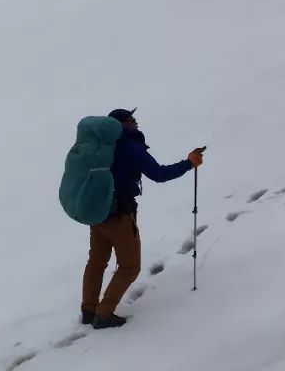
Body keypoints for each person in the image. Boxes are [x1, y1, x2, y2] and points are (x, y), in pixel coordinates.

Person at [81, 108, 204, 329]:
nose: (136, 122)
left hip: (97, 211)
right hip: (119, 215)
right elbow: (158, 174)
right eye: (132, 119)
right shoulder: (130, 146)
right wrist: (189, 163)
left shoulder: (101, 145)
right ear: (124, 123)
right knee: (130, 267)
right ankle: (104, 314)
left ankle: (88, 310)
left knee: (97, 262)